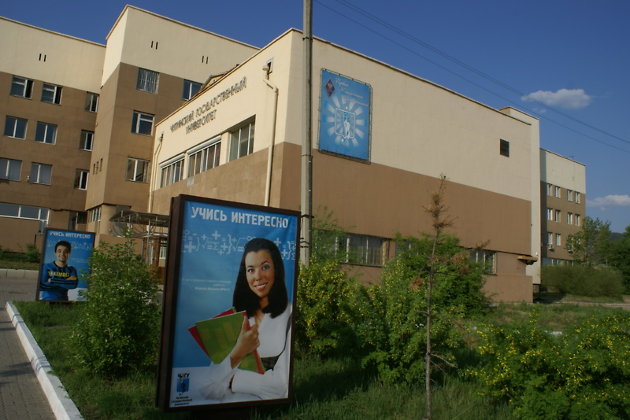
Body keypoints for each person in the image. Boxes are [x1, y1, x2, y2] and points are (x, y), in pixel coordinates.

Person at [197, 238, 291, 402]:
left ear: (277, 269)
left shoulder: (288, 314)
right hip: (226, 410)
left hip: (263, 411)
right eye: (250, 270)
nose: (257, 276)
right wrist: (240, 351)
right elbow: (207, 386)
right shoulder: (237, 319)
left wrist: (232, 379)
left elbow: (281, 387)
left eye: (265, 267)